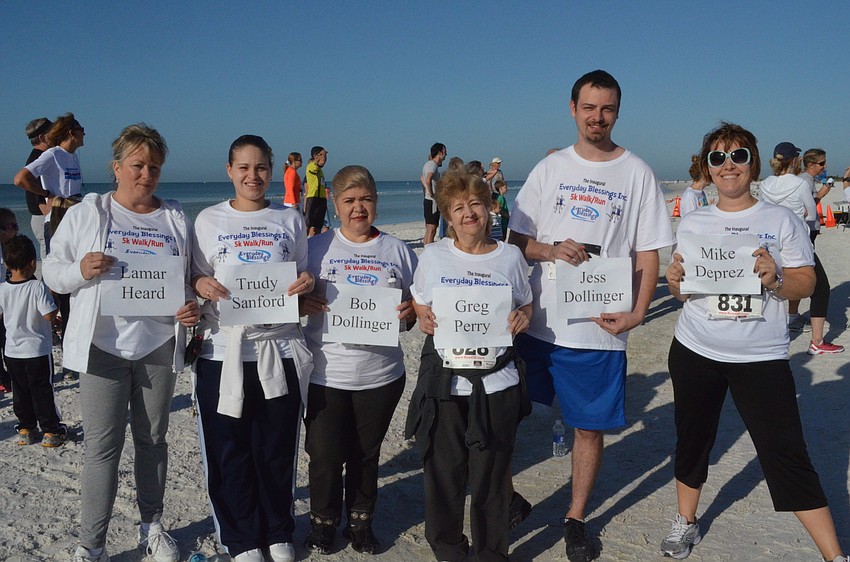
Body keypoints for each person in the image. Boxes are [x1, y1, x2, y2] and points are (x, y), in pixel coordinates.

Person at [508, 69, 675, 562]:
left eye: (606, 109)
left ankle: (575, 517)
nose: (596, 117)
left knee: (588, 427)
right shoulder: (550, 168)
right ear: (572, 109)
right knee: (507, 416)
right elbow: (515, 240)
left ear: (617, 112)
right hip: (537, 321)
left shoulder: (637, 172)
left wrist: (639, 313)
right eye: (588, 107)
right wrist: (549, 248)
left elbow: (648, 254)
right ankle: (504, 494)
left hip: (600, 327)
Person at [662, 122, 848, 562]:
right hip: (695, 349)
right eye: (717, 158)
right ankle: (686, 521)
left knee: (785, 451)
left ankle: (834, 555)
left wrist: (776, 278)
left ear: (754, 163)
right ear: (707, 168)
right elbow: (683, 286)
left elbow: (806, 283)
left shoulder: (779, 219)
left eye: (739, 156)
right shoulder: (693, 221)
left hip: (759, 357)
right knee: (693, 439)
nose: (729, 165)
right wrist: (674, 283)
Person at [43, 124, 198, 562]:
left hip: (158, 346)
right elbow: (52, 270)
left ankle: (152, 526)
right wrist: (81, 271)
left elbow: (186, 281)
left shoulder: (174, 218)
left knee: (153, 441)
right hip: (101, 348)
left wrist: (190, 307)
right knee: (101, 450)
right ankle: (91, 545)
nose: (145, 174)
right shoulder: (88, 214)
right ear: (116, 168)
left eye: (153, 166)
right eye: (137, 165)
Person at [191, 135, 314, 562]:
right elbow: (195, 276)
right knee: (229, 449)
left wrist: (306, 283)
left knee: (276, 445)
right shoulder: (208, 220)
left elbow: (302, 271)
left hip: (278, 349)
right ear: (229, 170)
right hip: (223, 353)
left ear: (272, 169)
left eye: (261, 167)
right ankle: (242, 538)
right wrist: (199, 283)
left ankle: (278, 528)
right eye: (243, 167)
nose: (252, 176)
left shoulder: (290, 218)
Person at [406, 171, 532, 562]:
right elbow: (419, 302)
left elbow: (525, 303)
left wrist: (523, 317)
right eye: (458, 207)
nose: (468, 213)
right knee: (443, 474)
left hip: (497, 384)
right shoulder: (435, 256)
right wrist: (423, 316)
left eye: (475, 204)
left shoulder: (510, 256)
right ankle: (449, 550)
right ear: (447, 215)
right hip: (446, 384)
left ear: (489, 207)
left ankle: (491, 554)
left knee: (492, 478)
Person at [301, 165, 418, 555]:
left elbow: (416, 307)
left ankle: (361, 523)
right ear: (335, 205)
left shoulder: (398, 250)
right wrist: (303, 302)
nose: (358, 208)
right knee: (324, 456)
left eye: (365, 199)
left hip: (381, 375)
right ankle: (322, 523)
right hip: (325, 374)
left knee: (366, 455)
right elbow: (288, 301)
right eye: (349, 200)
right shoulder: (316, 249)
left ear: (376, 203)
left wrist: (408, 315)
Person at [15, 113, 86, 350]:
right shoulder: (52, 155)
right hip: (56, 219)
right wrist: (47, 195)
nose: (85, 132)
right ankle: (60, 336)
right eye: (81, 128)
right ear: (70, 132)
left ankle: (72, 335)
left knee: (77, 280)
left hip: (75, 217)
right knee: (60, 281)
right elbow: (21, 179)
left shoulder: (72, 157)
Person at [0, 234, 65, 446]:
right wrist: (54, 301)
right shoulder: (37, 287)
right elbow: (48, 315)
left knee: (20, 391)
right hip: (36, 349)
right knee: (42, 390)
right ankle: (50, 430)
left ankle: (26, 428)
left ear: (7, 263)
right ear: (32, 263)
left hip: (12, 351)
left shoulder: (2, 288)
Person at [787, 148, 844, 354]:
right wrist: (820, 196)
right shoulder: (804, 181)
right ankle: (817, 342)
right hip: (803, 237)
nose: (825, 167)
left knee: (799, 276)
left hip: (803, 235)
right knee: (820, 286)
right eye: (822, 163)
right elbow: (807, 211)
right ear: (810, 164)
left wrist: (820, 194)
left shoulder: (804, 181)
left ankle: (793, 317)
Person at [22, 117, 52, 261]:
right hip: (42, 216)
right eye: (51, 131)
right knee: (48, 259)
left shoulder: (41, 157)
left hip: (41, 216)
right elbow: (26, 182)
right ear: (42, 137)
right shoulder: (38, 159)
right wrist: (45, 198)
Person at [0, 208, 18, 393]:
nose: (16, 230)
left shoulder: (12, 249)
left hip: (8, 305)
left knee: (8, 340)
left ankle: (10, 375)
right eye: (12, 227)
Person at [421, 143, 447, 245]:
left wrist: (426, 193)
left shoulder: (428, 164)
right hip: (432, 202)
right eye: (445, 152)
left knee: (429, 228)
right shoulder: (432, 165)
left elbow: (422, 178)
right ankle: (428, 250)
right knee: (432, 229)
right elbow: (427, 180)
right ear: (440, 153)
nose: (446, 155)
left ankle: (426, 250)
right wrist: (432, 194)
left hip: (428, 200)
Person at [305, 146, 329, 237]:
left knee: (319, 224)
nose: (324, 157)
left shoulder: (321, 171)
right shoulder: (311, 166)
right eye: (322, 154)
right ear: (316, 156)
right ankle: (303, 243)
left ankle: (317, 241)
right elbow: (319, 164)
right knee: (308, 223)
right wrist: (321, 159)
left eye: (325, 154)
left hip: (321, 198)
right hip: (313, 198)